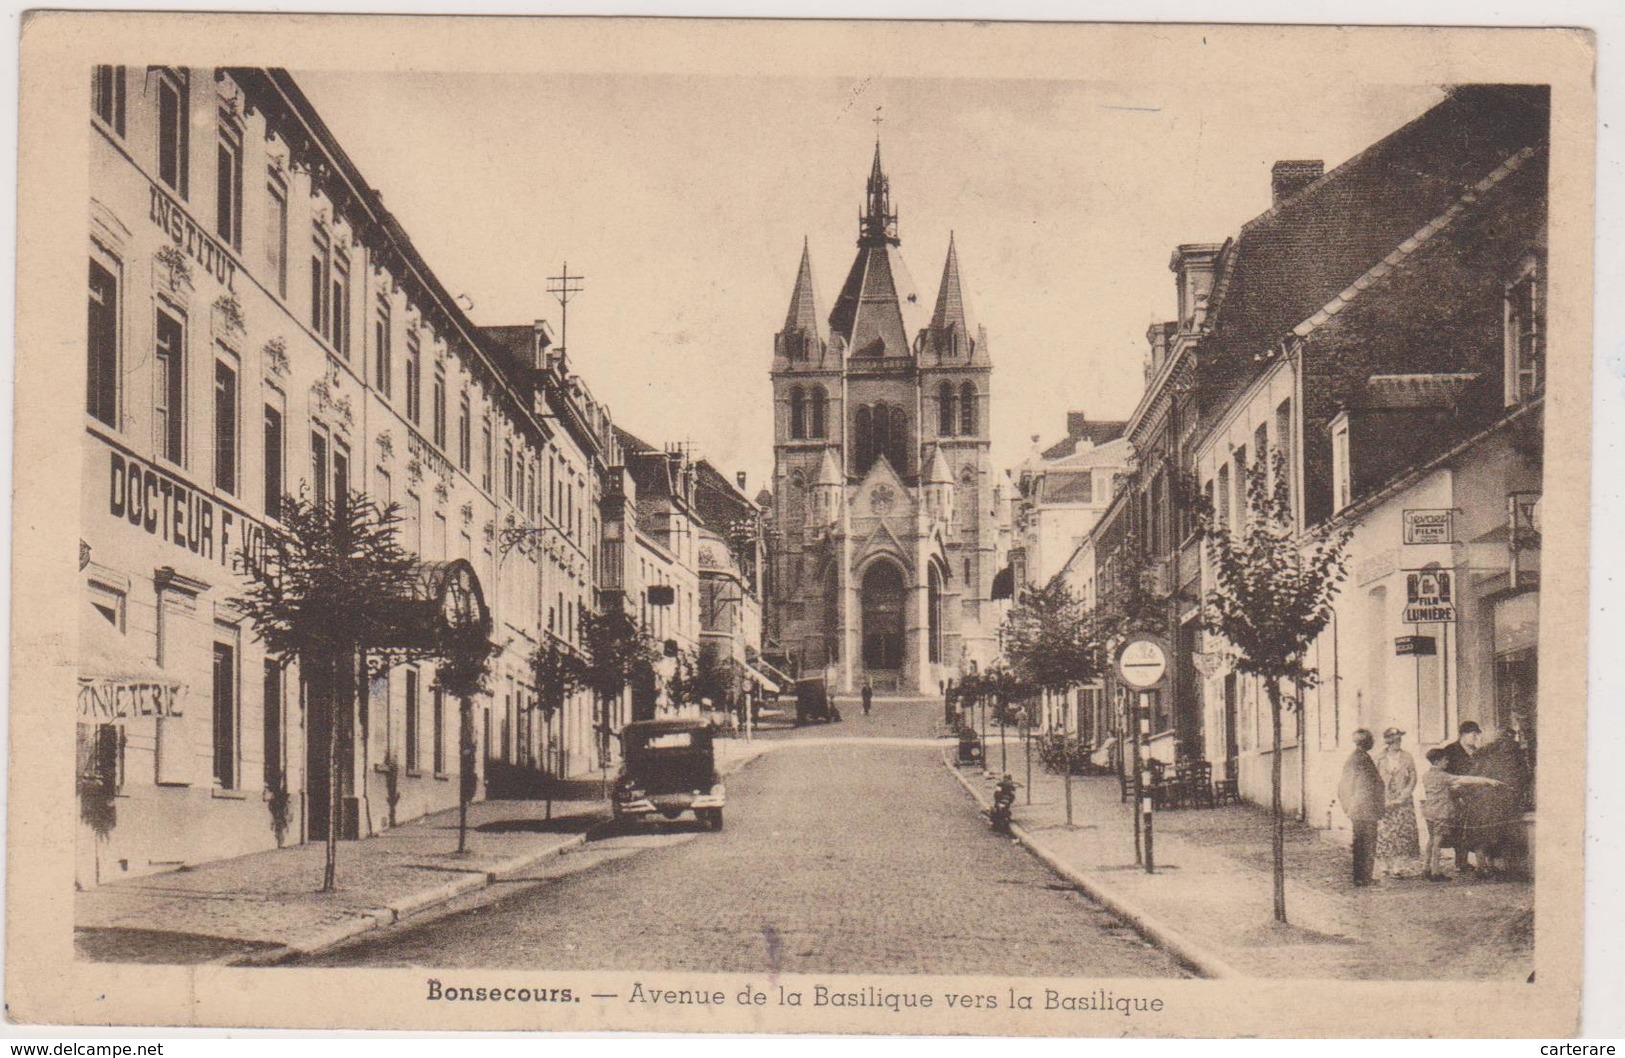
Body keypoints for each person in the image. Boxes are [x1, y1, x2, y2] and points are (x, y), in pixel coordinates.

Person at [1420, 746, 1503, 880]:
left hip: (1429, 811)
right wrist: (1488, 781)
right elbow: (1465, 779)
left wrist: (1452, 788)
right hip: (1441, 812)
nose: (1447, 762)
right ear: (1437, 761)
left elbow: (1440, 789)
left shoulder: (1427, 775)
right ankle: (1436, 872)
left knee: (1431, 840)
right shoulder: (1443, 776)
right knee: (1438, 842)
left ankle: (1426, 868)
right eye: (1445, 760)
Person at [1460, 726, 1531, 876]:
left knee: (1482, 832)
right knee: (1502, 832)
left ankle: (1482, 866)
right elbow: (1525, 775)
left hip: (1482, 798)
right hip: (1506, 798)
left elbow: (1473, 773)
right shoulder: (1516, 752)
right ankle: (1503, 867)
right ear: (1512, 737)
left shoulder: (1485, 752)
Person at [1338, 729, 1386, 887]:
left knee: (1365, 844)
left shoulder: (1361, 757)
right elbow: (1344, 786)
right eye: (1371, 739)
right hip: (1363, 810)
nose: (1373, 742)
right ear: (1365, 741)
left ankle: (1364, 877)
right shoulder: (1358, 759)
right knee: (1364, 844)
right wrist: (1348, 807)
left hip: (1365, 809)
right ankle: (1362, 878)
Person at [1439, 720, 1484, 871]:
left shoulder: (1476, 752)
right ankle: (1460, 862)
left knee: (1471, 828)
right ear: (1463, 735)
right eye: (1473, 734)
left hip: (1474, 794)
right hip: (1455, 793)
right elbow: (1442, 772)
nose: (1476, 737)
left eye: (1477, 734)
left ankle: (1466, 862)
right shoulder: (1450, 750)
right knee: (1458, 829)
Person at [1375, 727, 1420, 877]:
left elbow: (1413, 776)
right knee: (1385, 831)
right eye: (1394, 741)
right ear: (1388, 742)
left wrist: (1406, 792)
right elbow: (1374, 779)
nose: (1397, 743)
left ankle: (1398, 865)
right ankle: (1384, 864)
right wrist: (1381, 796)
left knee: (1402, 831)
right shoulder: (1379, 757)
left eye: (1399, 740)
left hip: (1402, 798)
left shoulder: (1407, 756)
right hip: (1385, 798)